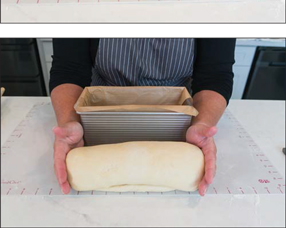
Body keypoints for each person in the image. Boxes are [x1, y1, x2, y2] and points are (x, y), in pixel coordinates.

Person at [51, 38, 236, 196]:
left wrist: (202, 122)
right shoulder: (87, 8)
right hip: (100, 120)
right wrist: (69, 121)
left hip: (177, 122)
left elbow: (215, 75)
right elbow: (69, 69)